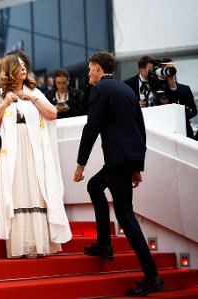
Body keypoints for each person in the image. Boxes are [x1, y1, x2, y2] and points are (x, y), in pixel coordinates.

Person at [74, 51, 163, 296]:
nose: (88, 73)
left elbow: (91, 128)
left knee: (125, 215)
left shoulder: (101, 90)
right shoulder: (126, 89)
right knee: (95, 186)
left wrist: (80, 164)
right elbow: (140, 130)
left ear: (100, 69)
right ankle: (104, 244)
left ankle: (152, 276)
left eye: (91, 68)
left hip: (117, 160)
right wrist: (137, 166)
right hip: (126, 159)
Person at [0, 54, 72, 258]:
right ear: (10, 70)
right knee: (16, 192)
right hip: (11, 153)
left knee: (37, 190)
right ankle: (19, 246)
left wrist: (32, 99)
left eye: (25, 66)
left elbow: (52, 114)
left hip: (34, 151)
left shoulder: (34, 91)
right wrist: (5, 104)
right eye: (20, 66)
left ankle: (40, 244)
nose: (24, 69)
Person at [160, 58, 197, 139]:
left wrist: (188, 111)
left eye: (173, 68)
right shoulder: (159, 91)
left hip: (186, 131)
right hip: (168, 132)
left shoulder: (185, 89)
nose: (172, 70)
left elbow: (194, 111)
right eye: (169, 68)